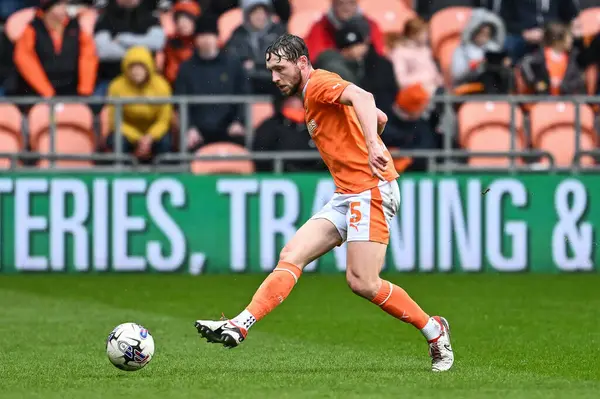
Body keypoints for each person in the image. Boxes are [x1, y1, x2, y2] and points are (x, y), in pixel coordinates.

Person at [194, 34, 455, 373]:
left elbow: (362, 94)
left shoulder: (318, 83)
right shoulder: (313, 93)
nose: (274, 78)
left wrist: (374, 143)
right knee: (291, 255)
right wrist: (373, 122)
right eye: (270, 70)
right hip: (347, 193)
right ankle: (240, 324)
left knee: (363, 282)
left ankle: (435, 331)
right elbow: (366, 107)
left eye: (280, 68)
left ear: (302, 63)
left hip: (370, 189)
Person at [174, 13, 250, 150]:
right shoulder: (186, 68)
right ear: (196, 39)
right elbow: (180, 101)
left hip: (229, 128)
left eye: (210, 35)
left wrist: (238, 122)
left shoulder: (233, 64)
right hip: (198, 131)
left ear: (217, 37)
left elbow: (244, 94)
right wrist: (189, 128)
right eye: (202, 35)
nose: (206, 40)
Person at [12, 0, 98, 98]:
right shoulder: (33, 28)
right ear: (48, 8)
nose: (64, 9)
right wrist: (47, 92)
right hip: (37, 93)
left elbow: (88, 58)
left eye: (65, 4)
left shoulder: (76, 27)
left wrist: (85, 90)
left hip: (72, 91)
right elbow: (25, 59)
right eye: (59, 5)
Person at [105, 46, 173, 161]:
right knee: (117, 141)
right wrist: (137, 137)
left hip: (153, 133)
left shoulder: (162, 86)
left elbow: (164, 119)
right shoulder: (116, 86)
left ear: (149, 68)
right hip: (127, 132)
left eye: (141, 67)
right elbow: (115, 121)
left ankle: (162, 175)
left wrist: (150, 137)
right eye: (132, 67)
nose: (136, 71)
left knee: (165, 142)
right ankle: (122, 174)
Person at [225, 0, 286, 94]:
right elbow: (231, 58)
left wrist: (255, 65)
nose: (260, 17)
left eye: (263, 13)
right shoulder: (238, 34)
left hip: (274, 85)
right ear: (247, 15)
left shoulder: (279, 32)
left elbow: (284, 61)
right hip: (246, 84)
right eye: (255, 13)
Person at [304, 0, 385, 62]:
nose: (346, 7)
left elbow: (379, 54)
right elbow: (316, 59)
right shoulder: (319, 27)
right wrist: (344, 56)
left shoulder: (371, 25)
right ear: (333, 4)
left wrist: (364, 51)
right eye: (341, 3)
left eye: (351, 2)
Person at [163, 0, 201, 84]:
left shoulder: (202, 42)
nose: (182, 23)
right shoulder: (171, 43)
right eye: (179, 20)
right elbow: (170, 72)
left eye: (187, 19)